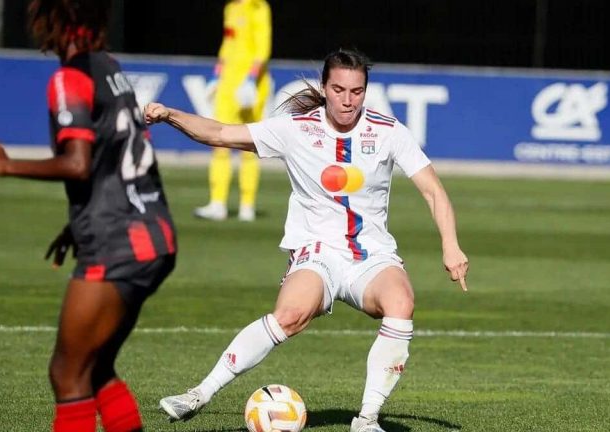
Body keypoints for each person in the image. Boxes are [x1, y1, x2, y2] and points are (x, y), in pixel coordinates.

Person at [145, 49, 468, 432]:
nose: (348, 100)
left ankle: (366, 420)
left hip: (371, 256)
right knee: (290, 316)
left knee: (401, 302)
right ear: (324, 88)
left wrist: (451, 245)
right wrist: (170, 115)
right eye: (339, 89)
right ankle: (199, 393)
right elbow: (220, 133)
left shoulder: (388, 131)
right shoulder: (296, 128)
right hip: (316, 254)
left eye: (357, 91)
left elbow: (433, 190)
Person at [0, 1, 177, 431]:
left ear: (53, 22)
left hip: (118, 241)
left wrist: (7, 165)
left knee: (67, 374)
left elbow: (77, 162)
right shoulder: (111, 69)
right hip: (154, 232)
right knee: (95, 369)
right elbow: (115, 158)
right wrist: (76, 221)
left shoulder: (70, 77)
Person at [194, 0, 272, 222]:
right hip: (227, 86)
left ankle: (247, 205)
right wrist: (217, 75)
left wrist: (251, 79)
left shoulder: (258, 7)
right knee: (219, 143)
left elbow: (262, 46)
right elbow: (227, 45)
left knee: (249, 146)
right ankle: (218, 203)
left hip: (251, 86)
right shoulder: (230, 8)